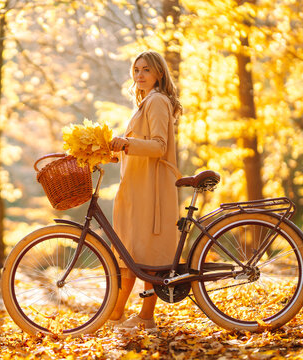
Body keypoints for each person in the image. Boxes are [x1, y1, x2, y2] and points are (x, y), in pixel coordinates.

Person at [108, 50, 182, 330]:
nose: (139, 75)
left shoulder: (157, 101)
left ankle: (141, 316)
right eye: (136, 70)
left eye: (146, 70)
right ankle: (119, 314)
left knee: (144, 255)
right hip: (138, 187)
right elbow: (137, 145)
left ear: (159, 74)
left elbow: (158, 146)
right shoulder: (145, 103)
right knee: (132, 255)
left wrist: (125, 143)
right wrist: (111, 150)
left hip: (152, 188)